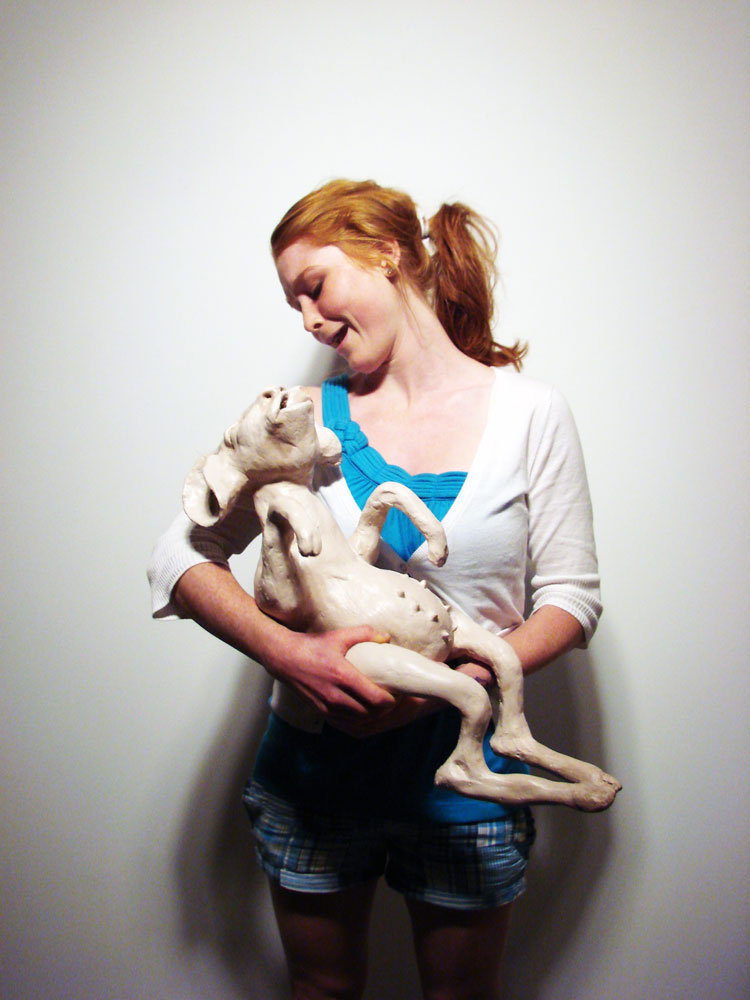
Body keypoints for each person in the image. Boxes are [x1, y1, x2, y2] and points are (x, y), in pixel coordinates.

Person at [148, 178, 601, 999]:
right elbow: (176, 555)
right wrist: (290, 655)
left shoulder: (532, 414)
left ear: (386, 253)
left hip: (469, 782)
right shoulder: (298, 424)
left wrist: (444, 689)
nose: (308, 319)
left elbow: (571, 599)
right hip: (312, 774)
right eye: (294, 305)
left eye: (314, 286)